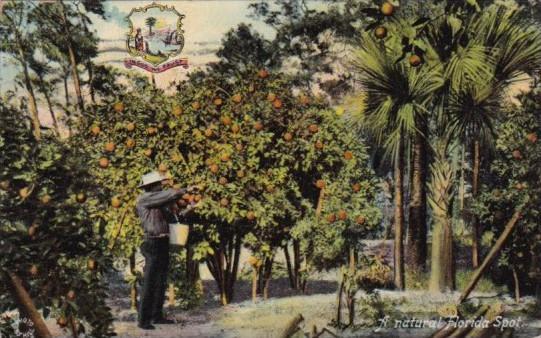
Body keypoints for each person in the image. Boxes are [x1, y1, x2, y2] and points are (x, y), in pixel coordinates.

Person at [136, 171, 197, 330]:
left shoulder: (159, 203)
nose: (161, 187)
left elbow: (175, 218)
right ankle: (143, 320)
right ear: (152, 186)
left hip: (162, 242)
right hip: (152, 242)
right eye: (159, 185)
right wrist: (186, 189)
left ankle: (156, 316)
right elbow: (170, 194)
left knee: (161, 280)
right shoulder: (145, 199)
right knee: (150, 282)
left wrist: (190, 208)